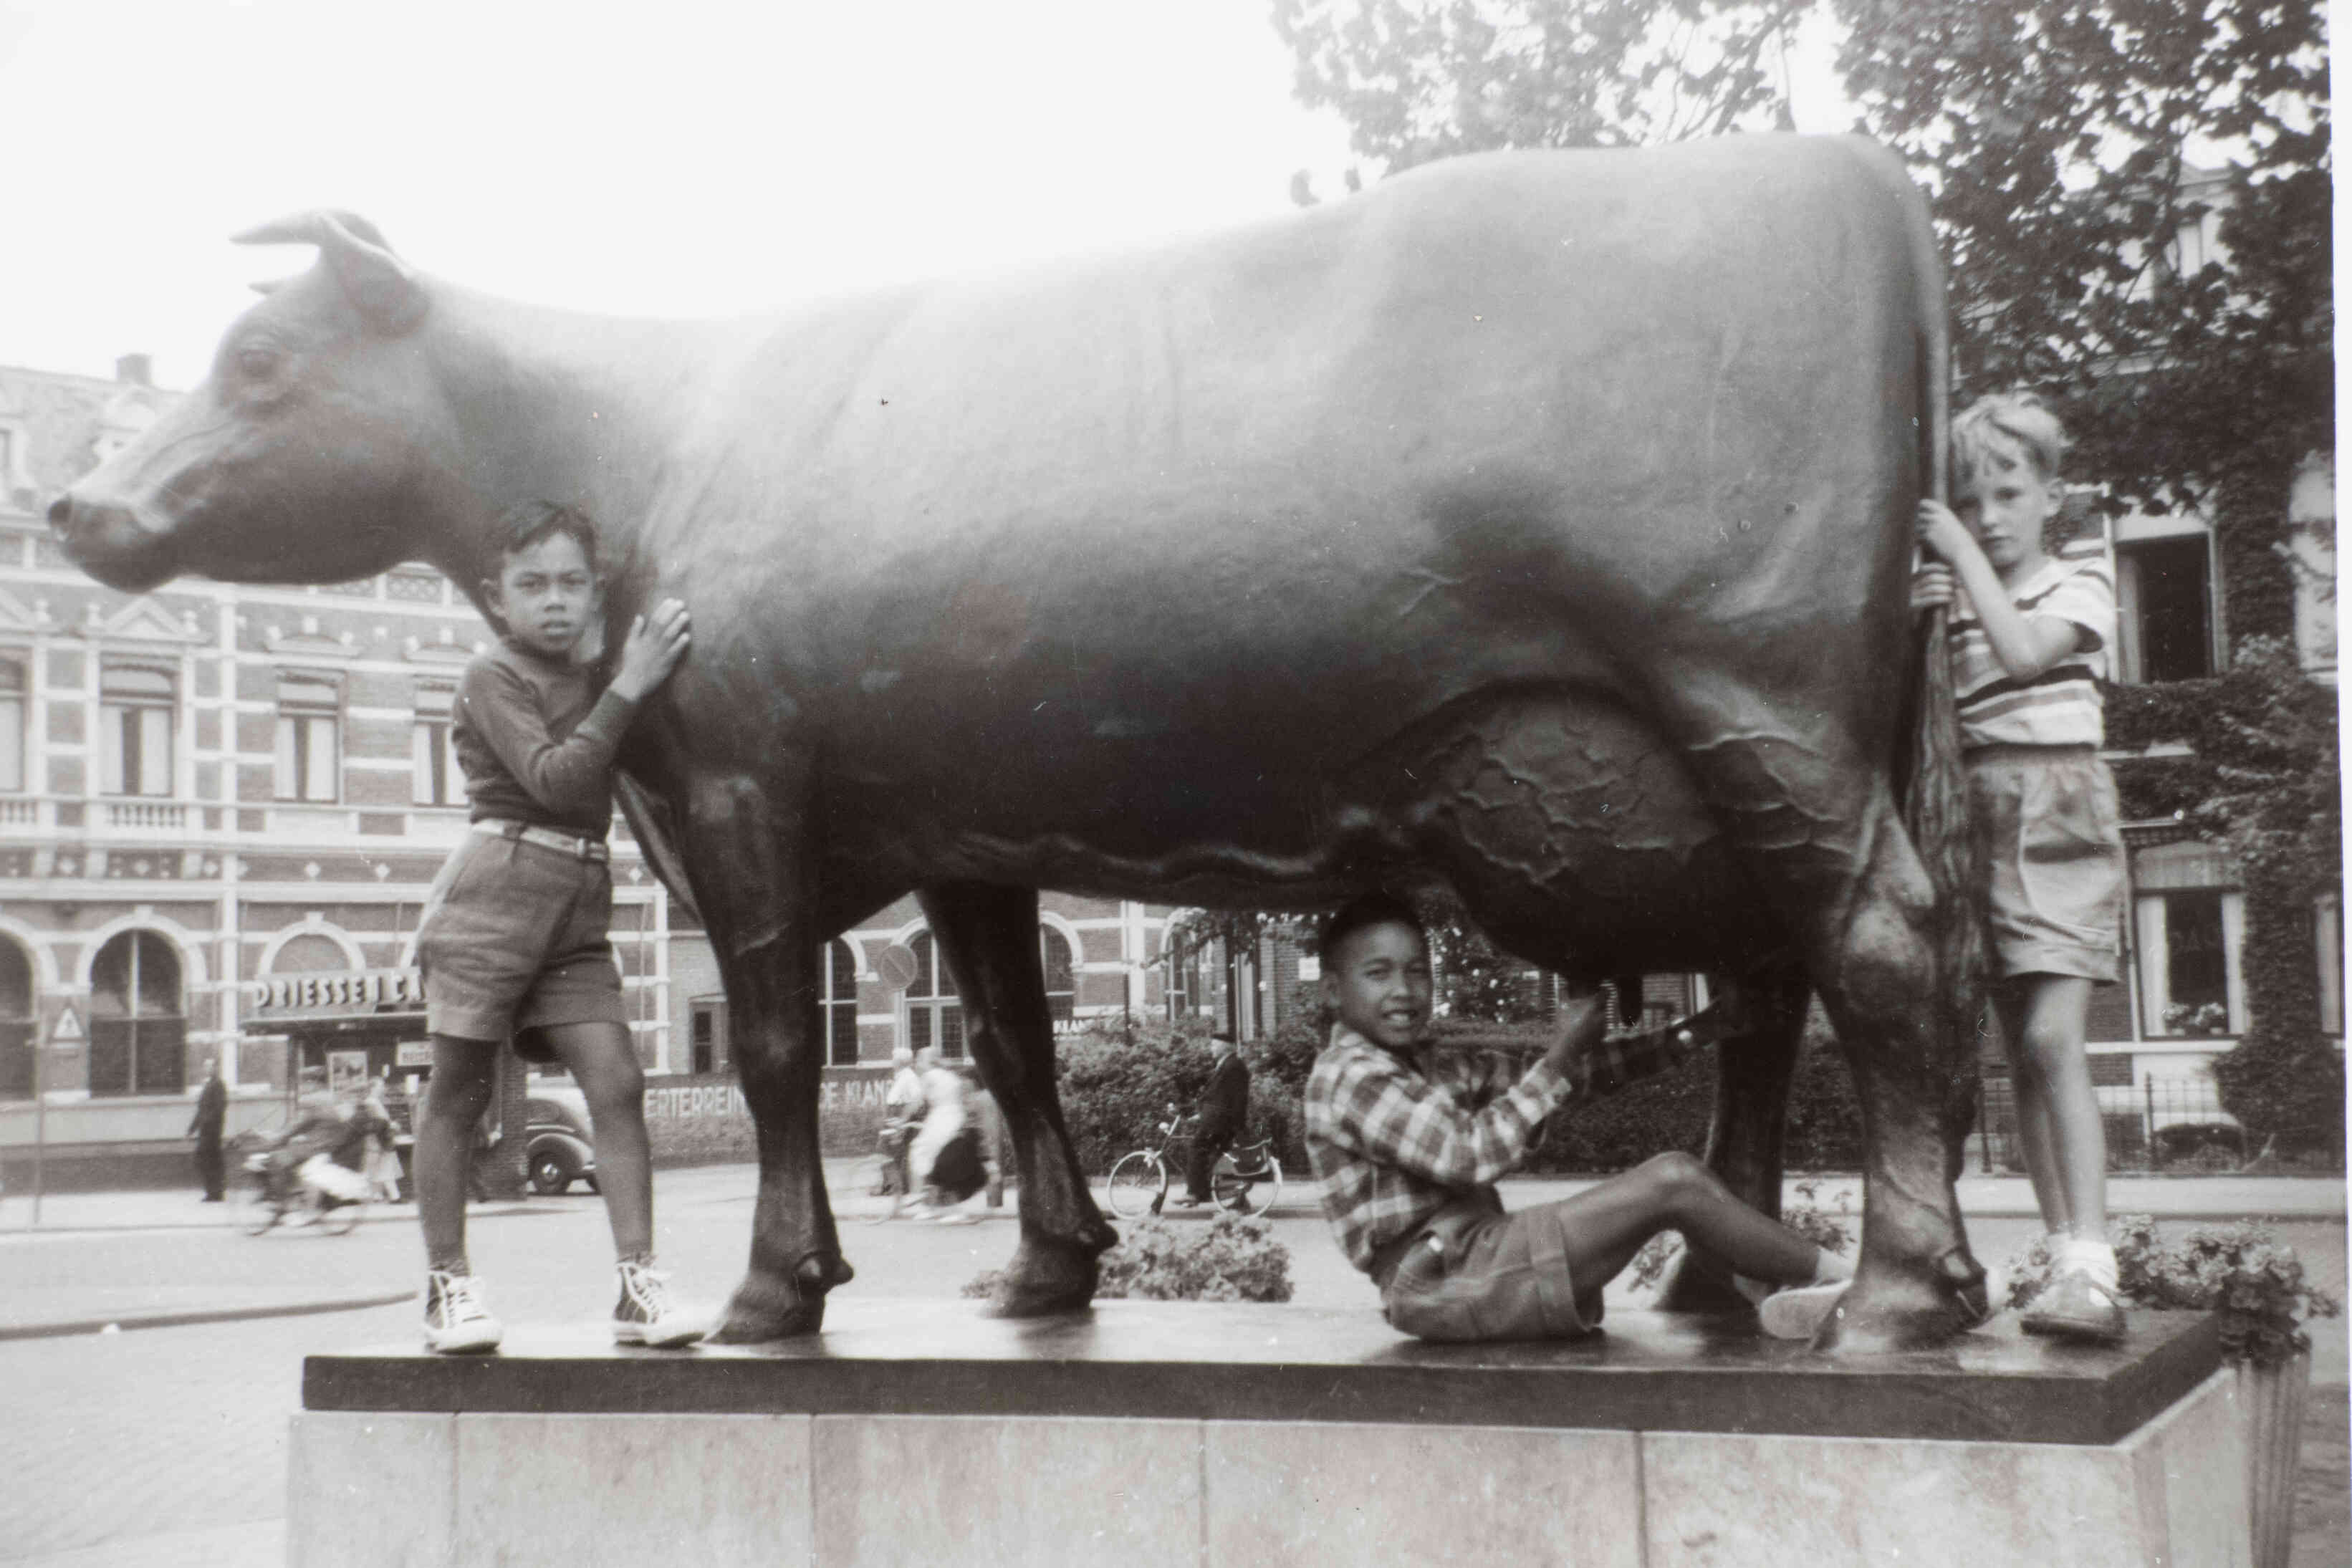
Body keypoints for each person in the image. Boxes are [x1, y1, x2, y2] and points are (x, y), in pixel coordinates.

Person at [409, 500, 701, 1354]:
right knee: (457, 1093)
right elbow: (558, 781)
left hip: (577, 900)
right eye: (532, 584)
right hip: (494, 896)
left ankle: (638, 1284)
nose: (554, 600)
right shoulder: (491, 674)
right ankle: (447, 1287)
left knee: (617, 1082)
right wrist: (630, 685)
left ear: (595, 593)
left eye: (572, 582)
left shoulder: (594, 672)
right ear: (496, 597)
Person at [1305, 893, 1853, 1343]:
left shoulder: (1425, 1065)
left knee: (1676, 1189)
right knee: (1674, 1181)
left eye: (1417, 972)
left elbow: (1573, 1077)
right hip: (1443, 1278)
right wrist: (1559, 1055)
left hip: (1469, 1263)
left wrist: (1698, 1030)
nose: (1403, 990)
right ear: (1332, 990)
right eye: (1377, 973)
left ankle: (1781, 1289)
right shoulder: (1349, 1074)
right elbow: (1466, 1155)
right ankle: (1845, 1280)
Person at [1913, 392, 2127, 1343]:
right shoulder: (1951, 600)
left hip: (2058, 809)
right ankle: (2060, 1252)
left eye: (2006, 494)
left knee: (2051, 1039)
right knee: (2019, 1055)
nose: (1989, 517)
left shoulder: (2079, 581)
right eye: (1969, 501)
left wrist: (1954, 556)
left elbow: (2026, 653)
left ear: (2050, 494)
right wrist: (1914, 618)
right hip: (1976, 817)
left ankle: (2095, 1262)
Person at [1177, 1034, 1250, 1206]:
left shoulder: (1233, 1066)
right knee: (1221, 1158)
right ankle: (1239, 1199)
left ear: (1224, 1046)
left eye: (1214, 1045)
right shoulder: (1229, 1065)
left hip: (1220, 1122)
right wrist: (1202, 1114)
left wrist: (1210, 1117)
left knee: (1197, 1148)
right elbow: (1219, 1097)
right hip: (1221, 1121)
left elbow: (1230, 1099)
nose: (1211, 1049)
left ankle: (1194, 1193)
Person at [908, 1044, 979, 1223]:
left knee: (922, 1155)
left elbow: (916, 1102)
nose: (917, 1063)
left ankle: (943, 1209)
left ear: (927, 1061)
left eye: (919, 1059)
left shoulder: (929, 1076)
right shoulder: (950, 1075)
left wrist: (902, 1121)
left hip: (940, 1121)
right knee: (938, 1161)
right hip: (955, 1120)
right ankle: (930, 1206)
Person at [868, 1047, 925, 1221]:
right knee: (891, 1154)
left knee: (884, 1152)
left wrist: (903, 1121)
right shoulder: (902, 1076)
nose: (892, 1061)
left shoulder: (909, 1078)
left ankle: (894, 1189)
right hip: (894, 1117)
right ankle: (893, 1188)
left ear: (900, 1061)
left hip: (899, 1119)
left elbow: (917, 1101)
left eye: (893, 1058)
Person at [188, 1057, 228, 1201]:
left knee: (210, 1160)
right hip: (205, 1130)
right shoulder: (208, 1084)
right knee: (205, 1160)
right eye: (206, 1066)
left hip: (213, 1131)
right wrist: (192, 1128)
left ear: (216, 1068)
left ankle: (216, 1192)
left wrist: (207, 1122)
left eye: (210, 1066)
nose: (207, 1069)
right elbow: (201, 1109)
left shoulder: (219, 1085)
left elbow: (219, 1108)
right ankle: (213, 1191)